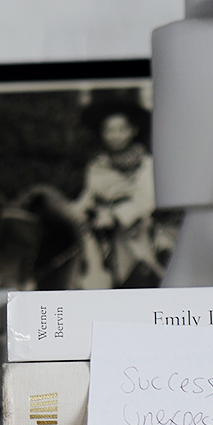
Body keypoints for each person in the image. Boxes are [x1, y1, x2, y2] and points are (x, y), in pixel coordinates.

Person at [72, 104, 161, 289]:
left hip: (141, 230)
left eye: (122, 129)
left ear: (133, 131)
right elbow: (88, 197)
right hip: (105, 234)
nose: (115, 135)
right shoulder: (97, 167)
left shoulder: (147, 164)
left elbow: (148, 200)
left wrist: (117, 214)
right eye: (109, 130)